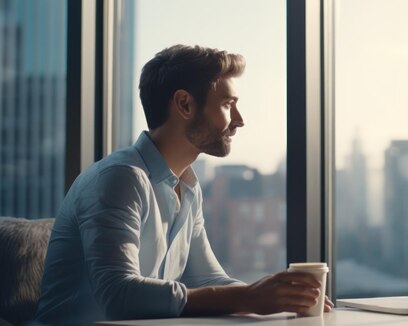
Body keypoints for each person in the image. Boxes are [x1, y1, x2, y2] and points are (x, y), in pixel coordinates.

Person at [33, 44, 332, 325]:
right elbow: (118, 295)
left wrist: (280, 297)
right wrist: (249, 297)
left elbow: (208, 280)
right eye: (228, 104)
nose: (239, 120)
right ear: (184, 104)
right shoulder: (120, 178)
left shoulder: (188, 185)